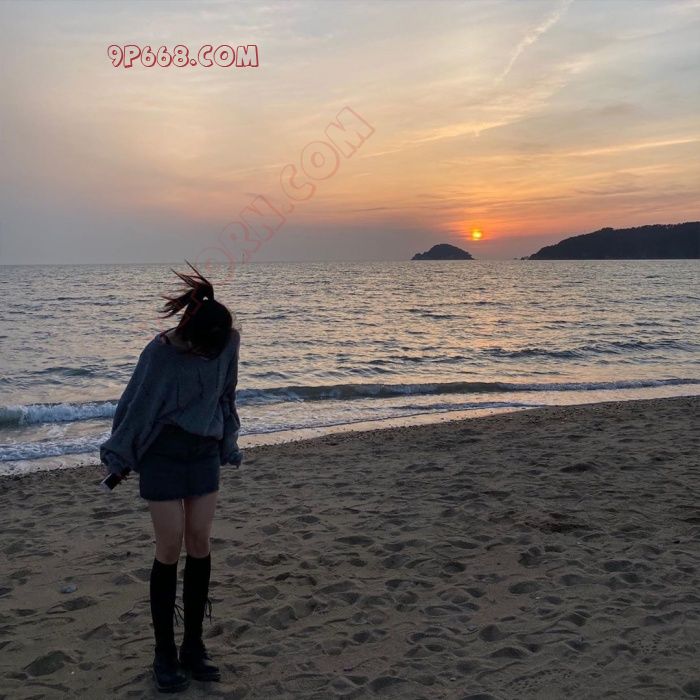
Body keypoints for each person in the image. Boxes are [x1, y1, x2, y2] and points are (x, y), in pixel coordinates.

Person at [99, 262, 243, 693]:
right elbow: (136, 406)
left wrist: (228, 443)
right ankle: (164, 653)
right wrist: (119, 454)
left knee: (199, 542)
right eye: (204, 348)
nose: (209, 355)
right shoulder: (160, 353)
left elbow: (226, 397)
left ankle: (193, 646)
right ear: (190, 333)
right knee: (169, 546)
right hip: (163, 454)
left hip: (203, 452)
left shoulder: (227, 342)